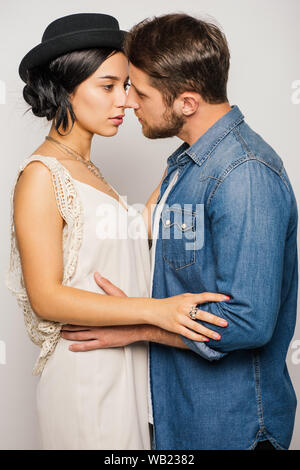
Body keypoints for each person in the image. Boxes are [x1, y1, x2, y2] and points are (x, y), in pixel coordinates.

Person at [62, 14, 298, 450]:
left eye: (141, 91)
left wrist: (140, 326)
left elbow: (248, 323)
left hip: (232, 428)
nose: (130, 102)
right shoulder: (187, 163)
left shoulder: (244, 175)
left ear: (186, 103)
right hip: (180, 416)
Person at [5, 13, 229, 450]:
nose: (125, 101)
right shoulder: (41, 174)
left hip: (123, 366)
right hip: (85, 375)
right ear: (66, 88)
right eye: (108, 86)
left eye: (126, 86)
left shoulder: (89, 171)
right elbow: (45, 296)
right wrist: (156, 312)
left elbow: (126, 237)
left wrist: (184, 164)